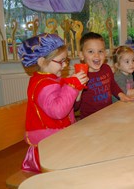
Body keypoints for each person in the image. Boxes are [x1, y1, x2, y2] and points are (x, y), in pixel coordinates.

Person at [18, 33, 89, 173]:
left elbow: (68, 107)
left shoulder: (50, 79)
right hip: (48, 146)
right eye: (60, 61)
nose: (64, 65)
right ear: (41, 61)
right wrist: (72, 86)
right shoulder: (42, 85)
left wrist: (77, 91)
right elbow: (58, 111)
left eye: (66, 60)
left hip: (58, 139)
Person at [74, 32, 134, 120]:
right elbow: (75, 107)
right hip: (90, 120)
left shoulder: (106, 68)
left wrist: (121, 95)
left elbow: (112, 85)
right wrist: (78, 89)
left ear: (105, 53)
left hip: (108, 114)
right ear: (81, 55)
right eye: (91, 51)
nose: (97, 55)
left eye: (100, 51)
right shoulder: (79, 77)